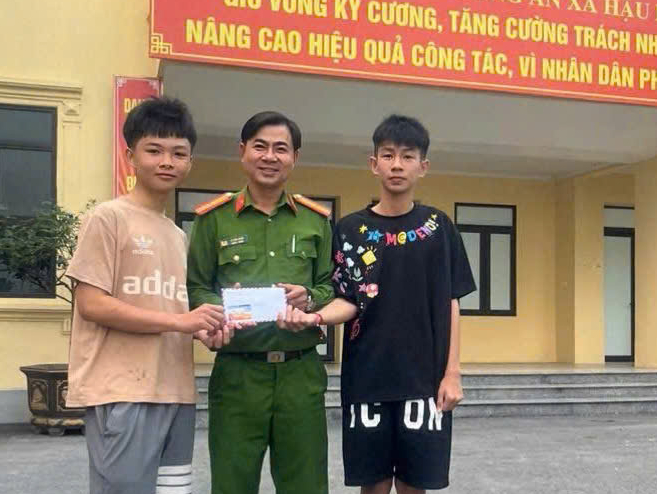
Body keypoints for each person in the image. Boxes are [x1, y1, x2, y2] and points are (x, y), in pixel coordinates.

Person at [279, 115, 476, 494]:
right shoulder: (349, 230)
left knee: (414, 485)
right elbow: (348, 299)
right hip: (366, 379)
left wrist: (452, 373)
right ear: (374, 164)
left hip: (424, 381)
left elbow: (451, 302)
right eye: (388, 155)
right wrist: (314, 318)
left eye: (407, 156)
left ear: (423, 166)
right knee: (373, 486)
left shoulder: (439, 228)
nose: (397, 165)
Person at [65, 97, 234, 494]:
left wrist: (203, 329)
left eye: (178, 153)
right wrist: (181, 321)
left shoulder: (176, 234)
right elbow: (91, 304)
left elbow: (172, 309)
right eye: (154, 150)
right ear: (131, 156)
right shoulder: (108, 218)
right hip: (123, 392)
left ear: (190, 162)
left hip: (176, 392)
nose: (167, 162)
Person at [187, 111, 335, 494]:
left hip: (300, 374)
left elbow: (329, 286)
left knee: (306, 485)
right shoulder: (213, 220)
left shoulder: (315, 221)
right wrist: (217, 316)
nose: (270, 156)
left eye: (281, 149)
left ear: (294, 157)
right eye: (260, 146)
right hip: (238, 373)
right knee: (232, 484)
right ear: (243, 151)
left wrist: (309, 299)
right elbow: (197, 286)